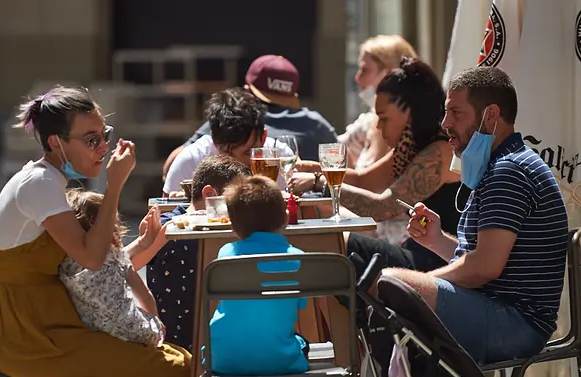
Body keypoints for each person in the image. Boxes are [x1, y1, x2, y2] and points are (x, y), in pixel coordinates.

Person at [0, 86, 191, 377]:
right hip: (34, 337)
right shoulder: (39, 184)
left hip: (58, 323)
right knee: (169, 371)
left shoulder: (49, 181)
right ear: (55, 143)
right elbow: (92, 260)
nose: (104, 147)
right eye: (91, 140)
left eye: (104, 135)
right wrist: (114, 187)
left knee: (174, 361)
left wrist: (143, 243)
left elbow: (91, 269)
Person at [377, 66, 569, 365]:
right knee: (392, 286)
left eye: (456, 113)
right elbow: (486, 260)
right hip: (498, 310)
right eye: (445, 113)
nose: (445, 124)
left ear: (490, 115)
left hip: (515, 323)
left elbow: (485, 268)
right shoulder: (500, 164)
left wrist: (421, 286)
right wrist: (437, 240)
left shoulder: (509, 170)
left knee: (392, 282)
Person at [289, 58, 468, 271]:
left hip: (434, 261)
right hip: (417, 250)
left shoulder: (439, 153)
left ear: (409, 112)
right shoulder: (416, 147)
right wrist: (315, 169)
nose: (380, 128)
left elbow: (383, 207)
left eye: (384, 118)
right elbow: (365, 180)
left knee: (334, 242)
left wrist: (319, 183)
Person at [209, 175, 312, 377]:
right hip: (280, 357)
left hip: (224, 356)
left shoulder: (225, 255)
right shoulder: (297, 258)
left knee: (222, 365)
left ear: (233, 226)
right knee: (299, 361)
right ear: (284, 217)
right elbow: (300, 307)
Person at [148, 155, 252, 350]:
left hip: (223, 341)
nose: (242, 209)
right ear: (210, 194)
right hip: (175, 345)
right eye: (238, 200)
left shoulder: (234, 231)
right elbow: (130, 264)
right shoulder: (168, 226)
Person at [59, 189, 166, 346]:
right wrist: (157, 326)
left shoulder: (68, 259)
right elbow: (145, 296)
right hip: (134, 333)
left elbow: (115, 261)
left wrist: (141, 244)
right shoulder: (114, 255)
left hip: (93, 332)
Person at [181, 54, 338, 162]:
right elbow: (344, 167)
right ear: (293, 95)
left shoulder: (233, 119)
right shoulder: (316, 124)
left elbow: (174, 161)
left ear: (247, 90)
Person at [163, 87, 294, 195]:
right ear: (213, 140)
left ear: (264, 137)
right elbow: (163, 220)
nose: (239, 163)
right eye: (228, 153)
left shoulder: (281, 160)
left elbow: (306, 219)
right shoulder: (191, 161)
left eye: (248, 152)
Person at [346, 35, 417, 169]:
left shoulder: (411, 129)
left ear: (391, 74)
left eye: (365, 70)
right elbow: (334, 149)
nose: (357, 78)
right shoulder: (368, 122)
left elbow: (366, 180)